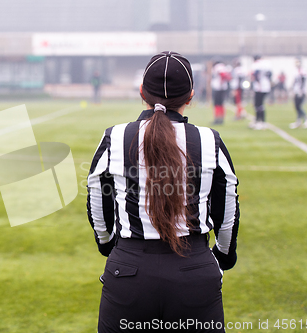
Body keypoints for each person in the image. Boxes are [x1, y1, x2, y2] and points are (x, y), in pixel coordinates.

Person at [87, 51, 240, 333]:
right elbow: (227, 204)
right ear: (190, 95)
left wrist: (107, 244)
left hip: (130, 270)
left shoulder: (116, 135)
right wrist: (223, 255)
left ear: (142, 92)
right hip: (193, 270)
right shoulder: (209, 140)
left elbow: (97, 192)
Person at [250, 55, 272, 130]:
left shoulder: (257, 65)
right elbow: (270, 74)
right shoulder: (266, 64)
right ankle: (259, 121)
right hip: (266, 86)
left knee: (258, 105)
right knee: (260, 104)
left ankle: (260, 122)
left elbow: (256, 74)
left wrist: (258, 83)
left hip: (259, 87)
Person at [290, 59, 307, 129]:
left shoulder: (302, 71)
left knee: (299, 106)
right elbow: (295, 81)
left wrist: (301, 91)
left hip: (301, 91)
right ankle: (298, 121)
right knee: (296, 106)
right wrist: (292, 88)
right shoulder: (296, 71)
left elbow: (303, 81)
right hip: (296, 91)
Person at [210, 59, 231, 124]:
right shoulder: (224, 67)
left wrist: (221, 83)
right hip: (222, 88)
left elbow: (223, 75)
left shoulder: (218, 67)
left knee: (217, 104)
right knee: (221, 103)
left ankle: (217, 118)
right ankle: (221, 118)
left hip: (218, 88)